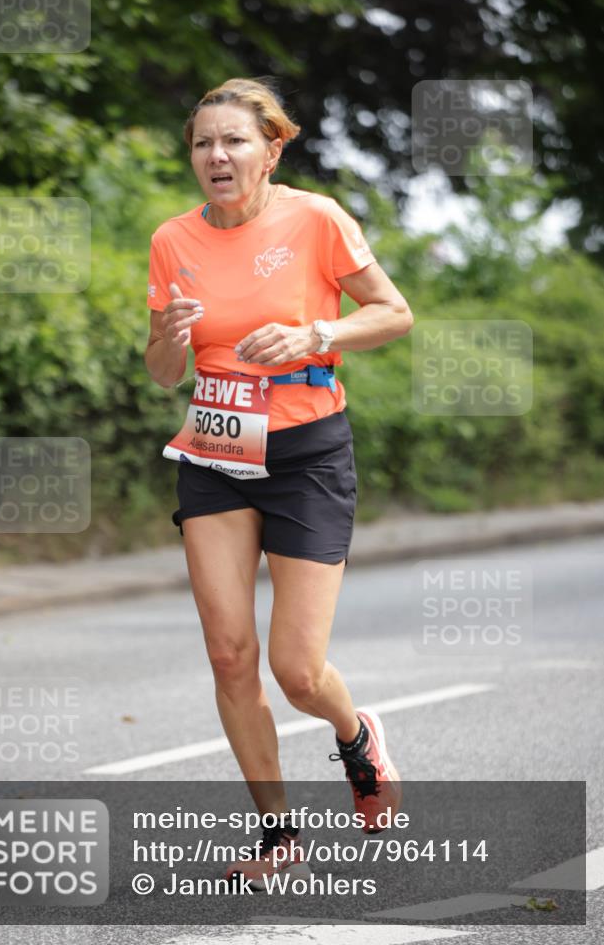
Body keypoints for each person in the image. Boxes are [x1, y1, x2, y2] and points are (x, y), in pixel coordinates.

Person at [145, 77, 413, 890]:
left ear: (271, 150)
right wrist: (168, 337)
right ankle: (277, 834)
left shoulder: (316, 219)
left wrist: (315, 333)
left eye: (233, 140)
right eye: (203, 142)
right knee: (229, 655)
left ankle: (355, 735)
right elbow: (164, 372)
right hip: (216, 451)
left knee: (297, 672)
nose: (216, 155)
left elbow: (392, 311)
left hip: (306, 456)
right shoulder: (172, 240)